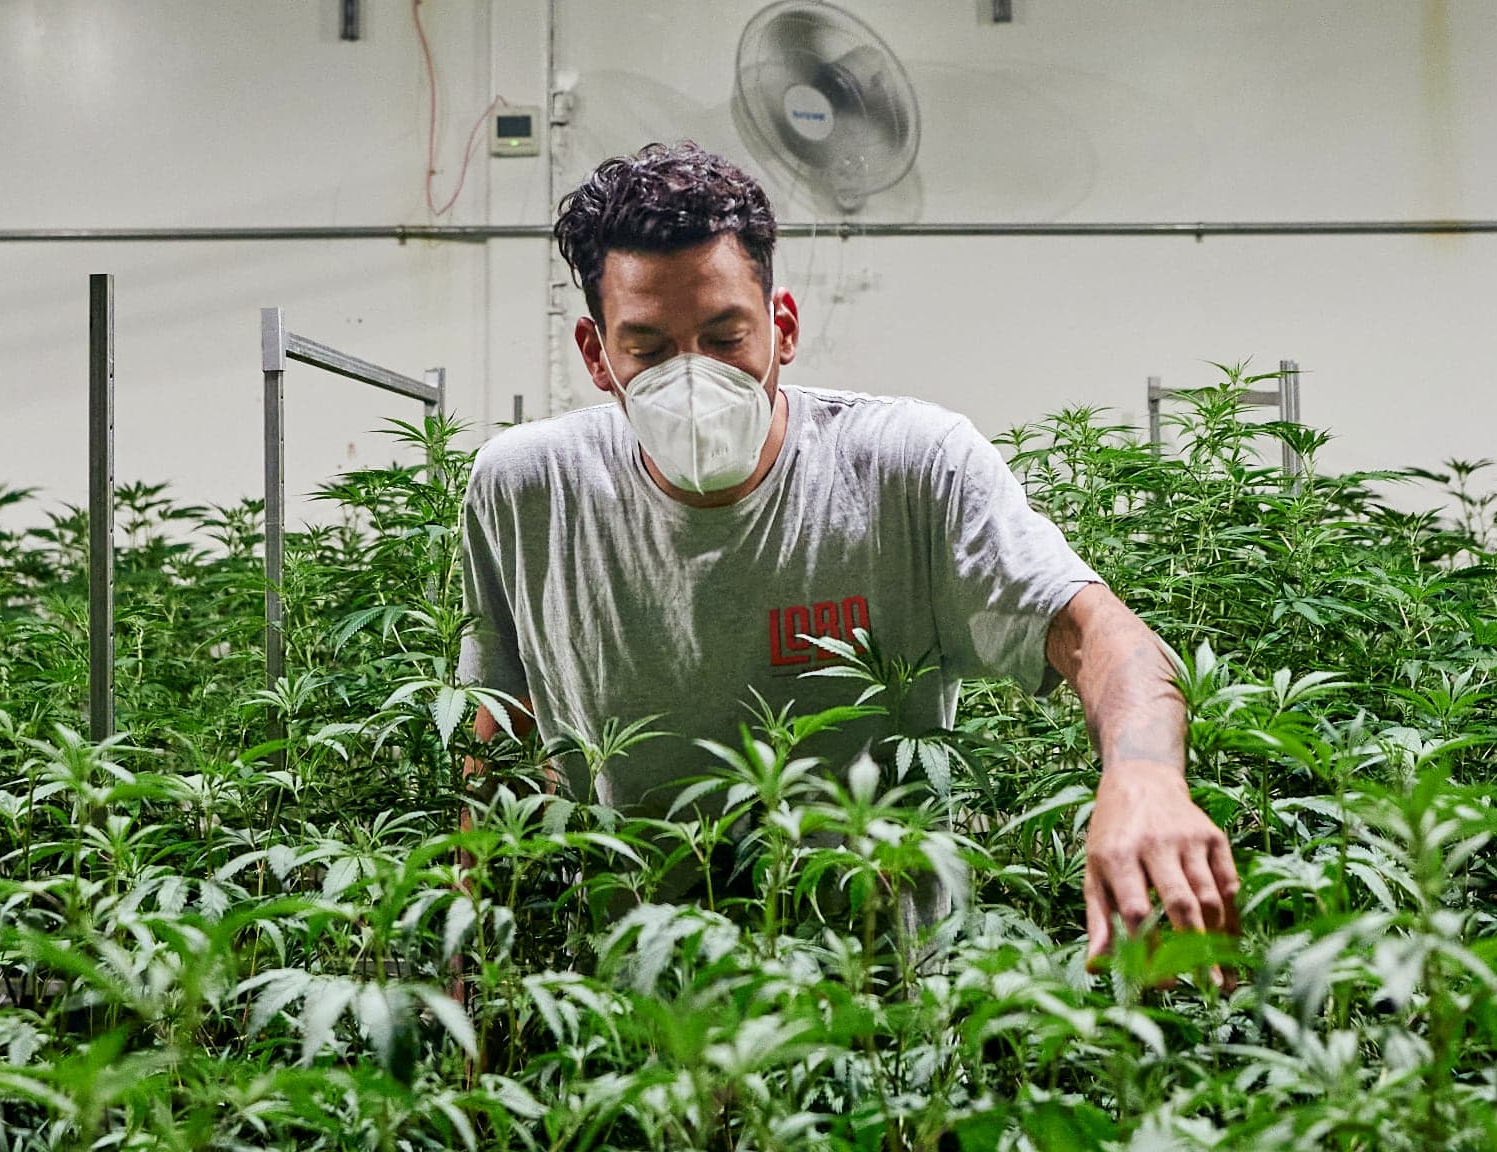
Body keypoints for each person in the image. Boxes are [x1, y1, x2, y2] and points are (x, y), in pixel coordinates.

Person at [456, 142, 1238, 962]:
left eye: (726, 338)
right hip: (630, 1006)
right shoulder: (529, 491)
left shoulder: (909, 466)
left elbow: (1095, 633)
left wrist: (1144, 776)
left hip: (879, 1008)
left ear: (783, 326)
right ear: (596, 354)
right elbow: (496, 739)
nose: (694, 381)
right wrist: (469, 970)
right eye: (648, 351)